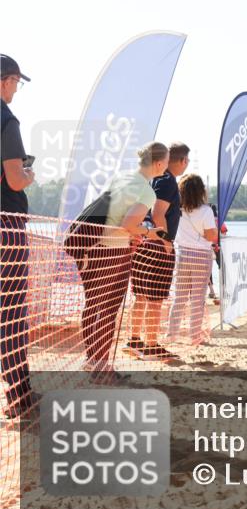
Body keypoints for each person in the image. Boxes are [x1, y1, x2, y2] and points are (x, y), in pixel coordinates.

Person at [78, 142, 168, 383]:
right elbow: (127, 224)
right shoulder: (147, 192)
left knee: (92, 305)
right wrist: (149, 232)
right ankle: (102, 367)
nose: (167, 167)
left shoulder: (122, 177)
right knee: (108, 311)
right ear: (159, 163)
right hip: (113, 252)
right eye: (166, 162)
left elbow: (110, 213)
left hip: (92, 247)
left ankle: (92, 360)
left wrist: (137, 230)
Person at [128, 143, 189, 361]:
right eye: (187, 161)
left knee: (142, 295)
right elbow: (157, 213)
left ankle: (135, 340)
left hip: (143, 241)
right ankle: (151, 344)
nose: (187, 165)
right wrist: (166, 241)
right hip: (155, 243)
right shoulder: (167, 181)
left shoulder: (154, 178)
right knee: (155, 298)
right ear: (182, 161)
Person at [1, 55, 37, 418]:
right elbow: (14, 179)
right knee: (11, 310)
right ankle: (19, 392)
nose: (16, 89)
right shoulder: (6, 120)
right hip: (6, 228)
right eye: (16, 82)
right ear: (6, 80)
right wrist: (28, 174)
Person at [168, 174, 218, 343]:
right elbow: (212, 236)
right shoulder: (206, 211)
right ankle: (194, 336)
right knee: (197, 298)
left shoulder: (178, 210)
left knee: (180, 296)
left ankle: (172, 334)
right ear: (200, 191)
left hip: (182, 253)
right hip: (201, 255)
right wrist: (208, 233)